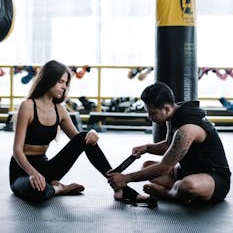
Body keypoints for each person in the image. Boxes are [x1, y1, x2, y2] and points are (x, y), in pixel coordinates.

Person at [9, 60, 146, 203]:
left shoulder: (59, 110)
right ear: (48, 79)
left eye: (66, 83)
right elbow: (17, 150)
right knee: (37, 191)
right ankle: (59, 188)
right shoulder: (28, 106)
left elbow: (80, 140)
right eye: (61, 81)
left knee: (85, 137)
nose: (64, 87)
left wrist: (92, 133)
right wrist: (33, 174)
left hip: (46, 168)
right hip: (22, 171)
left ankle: (119, 187)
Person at [108, 81, 231, 204]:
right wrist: (146, 148)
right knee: (147, 166)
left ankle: (166, 193)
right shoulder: (173, 114)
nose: (149, 117)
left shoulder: (187, 129)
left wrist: (127, 178)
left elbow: (164, 167)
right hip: (186, 172)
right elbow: (168, 145)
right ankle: (176, 189)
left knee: (188, 186)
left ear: (166, 108)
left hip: (213, 179)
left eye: (152, 113)